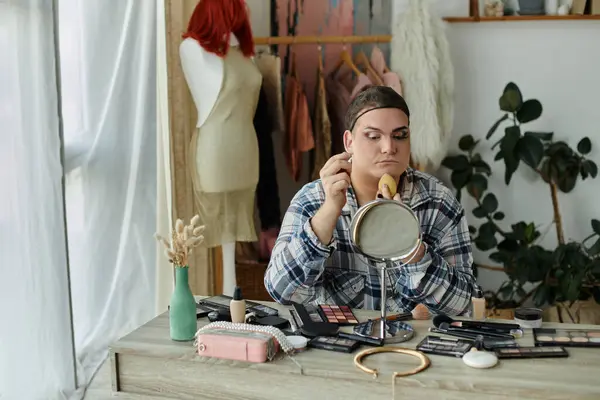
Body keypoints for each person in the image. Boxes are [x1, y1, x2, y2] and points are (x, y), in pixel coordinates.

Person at [264, 85, 477, 316]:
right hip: (337, 346)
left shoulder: (438, 203)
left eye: (400, 136)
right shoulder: (312, 200)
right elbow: (279, 291)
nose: (389, 148)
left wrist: (411, 249)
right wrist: (328, 212)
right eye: (373, 136)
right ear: (349, 142)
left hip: (414, 347)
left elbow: (466, 306)